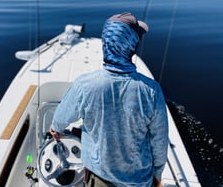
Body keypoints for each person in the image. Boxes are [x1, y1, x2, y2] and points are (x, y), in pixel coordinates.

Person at [50, 12, 168, 187]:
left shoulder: (84, 85)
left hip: (99, 179)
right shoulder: (152, 91)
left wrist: (56, 128)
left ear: (106, 44)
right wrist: (157, 174)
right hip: (139, 180)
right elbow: (159, 141)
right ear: (131, 46)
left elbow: (60, 119)